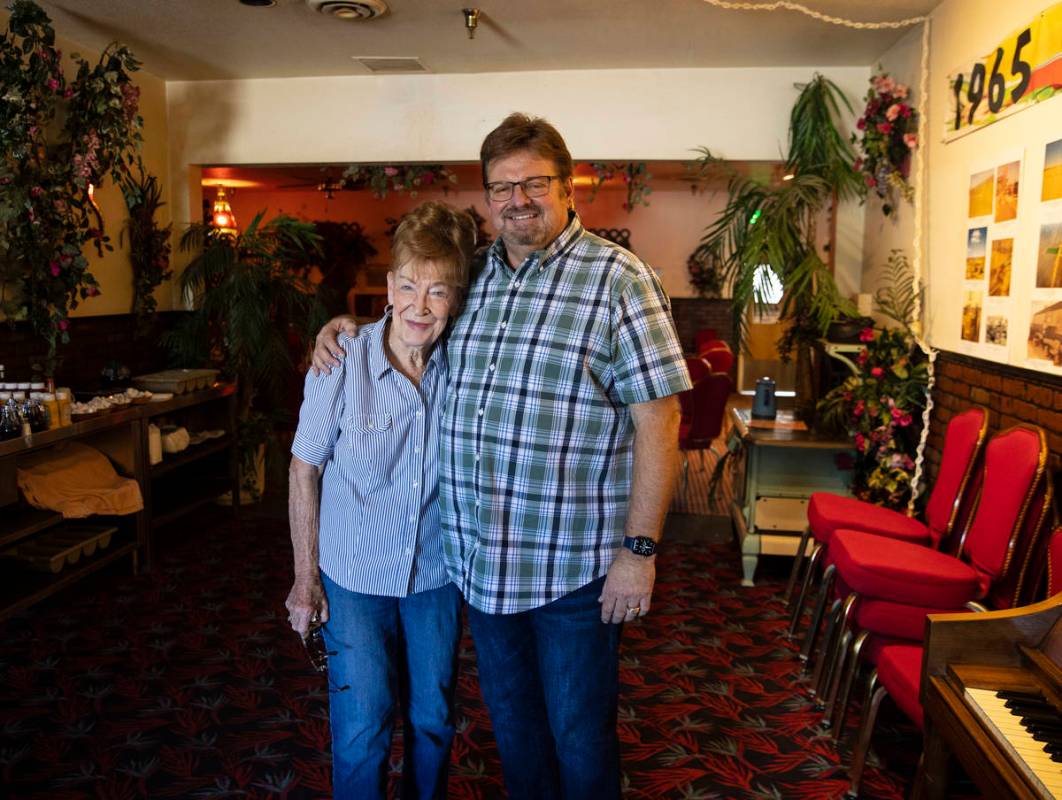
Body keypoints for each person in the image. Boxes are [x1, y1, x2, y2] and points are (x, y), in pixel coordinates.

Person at [313, 113, 690, 799]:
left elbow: (659, 418)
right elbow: (414, 317)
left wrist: (640, 549)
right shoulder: (476, 275)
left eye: (533, 183)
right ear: (486, 197)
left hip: (573, 570)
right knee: (515, 731)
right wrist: (347, 330)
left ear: (568, 185)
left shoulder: (619, 280)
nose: (517, 199)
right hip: (481, 568)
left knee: (579, 737)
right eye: (500, 187)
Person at [286, 201, 477, 800]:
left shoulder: (466, 367)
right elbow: (303, 469)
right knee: (362, 729)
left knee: (432, 722)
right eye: (411, 286)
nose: (422, 306)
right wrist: (304, 579)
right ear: (390, 287)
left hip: (436, 577)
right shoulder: (340, 361)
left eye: (439, 291)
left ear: (457, 298)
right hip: (354, 580)